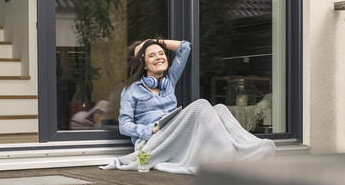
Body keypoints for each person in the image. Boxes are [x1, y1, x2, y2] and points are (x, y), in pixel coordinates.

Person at [101, 39, 276, 175]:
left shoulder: (168, 82)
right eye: (152, 55)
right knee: (200, 106)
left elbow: (184, 47)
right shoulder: (131, 90)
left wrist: (152, 42)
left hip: (175, 132)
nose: (159, 57)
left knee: (220, 108)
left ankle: (256, 147)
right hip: (154, 140)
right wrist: (151, 129)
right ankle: (230, 160)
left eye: (161, 53)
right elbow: (124, 125)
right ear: (144, 63)